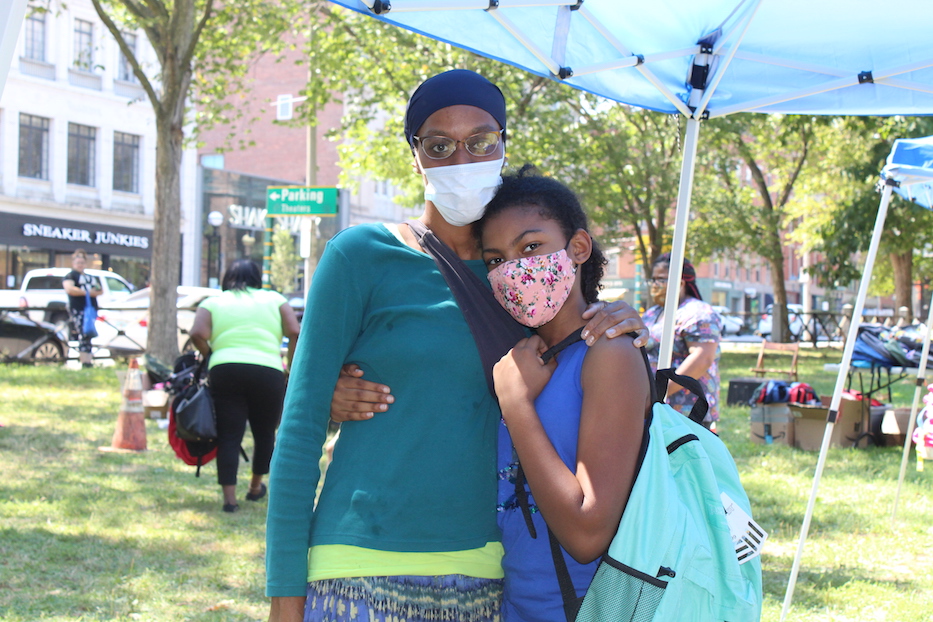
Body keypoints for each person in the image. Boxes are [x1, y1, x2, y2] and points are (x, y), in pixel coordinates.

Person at [266, 69, 648, 622]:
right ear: (415, 155)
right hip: (357, 566)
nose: (461, 158)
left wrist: (623, 319)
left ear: (503, 145)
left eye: (481, 140)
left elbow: (575, 372)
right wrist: (285, 600)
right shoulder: (360, 255)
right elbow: (298, 432)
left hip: (488, 575)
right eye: (439, 144)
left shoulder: (528, 280)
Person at [476, 169, 650, 621]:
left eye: (530, 247)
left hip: (585, 609)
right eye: (495, 259)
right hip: (518, 605)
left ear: (578, 248)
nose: (513, 269)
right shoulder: (518, 359)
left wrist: (516, 405)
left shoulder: (608, 350)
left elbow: (588, 533)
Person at [188, 259, 300, 513]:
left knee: (229, 434)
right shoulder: (275, 299)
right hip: (268, 369)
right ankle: (255, 487)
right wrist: (291, 366)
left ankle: (229, 500)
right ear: (257, 278)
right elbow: (294, 331)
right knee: (264, 433)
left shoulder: (213, 302)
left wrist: (210, 353)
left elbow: (197, 333)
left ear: (228, 277)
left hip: (225, 369)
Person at [642, 252, 723, 429]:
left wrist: (659, 392)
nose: (655, 285)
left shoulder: (698, 313)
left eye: (661, 280)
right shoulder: (653, 313)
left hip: (687, 411)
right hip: (654, 407)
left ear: (680, 283)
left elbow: (702, 359)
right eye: (653, 279)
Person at [62, 249, 100, 368]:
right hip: (78, 309)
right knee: (83, 335)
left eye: (82, 262)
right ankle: (84, 361)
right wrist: (86, 292)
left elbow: (99, 290)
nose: (80, 265)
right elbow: (70, 289)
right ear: (73, 264)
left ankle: (88, 361)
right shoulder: (70, 276)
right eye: (78, 263)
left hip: (91, 310)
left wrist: (89, 293)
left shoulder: (91, 277)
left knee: (89, 335)